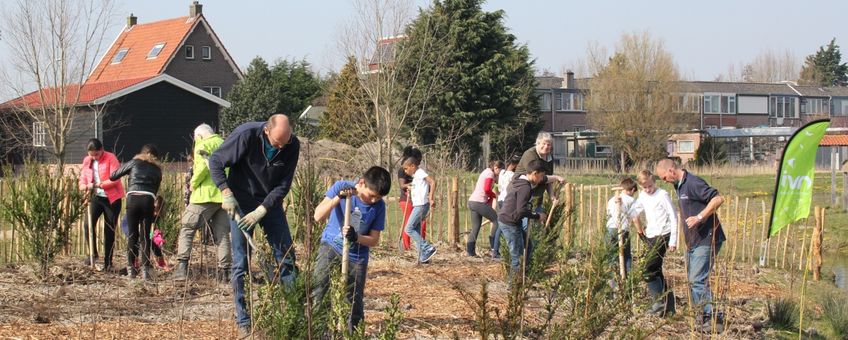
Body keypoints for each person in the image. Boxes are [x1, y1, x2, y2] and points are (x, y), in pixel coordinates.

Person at [208, 114, 300, 336]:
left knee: (286, 256)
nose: (280, 147)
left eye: (284, 142)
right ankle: (243, 319)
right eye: (277, 142)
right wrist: (225, 192)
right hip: (240, 202)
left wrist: (263, 209)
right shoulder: (247, 135)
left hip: (270, 205)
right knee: (241, 262)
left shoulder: (291, 145)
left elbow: (284, 184)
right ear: (267, 131)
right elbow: (216, 161)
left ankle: (294, 313)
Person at [311, 166, 391, 331]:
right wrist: (337, 198)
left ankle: (352, 333)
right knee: (320, 289)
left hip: (357, 256)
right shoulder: (341, 187)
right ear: (361, 183)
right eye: (372, 195)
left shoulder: (379, 207)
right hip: (331, 246)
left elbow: (374, 240)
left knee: (354, 300)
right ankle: (320, 331)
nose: (375, 200)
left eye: (379, 197)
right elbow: (318, 216)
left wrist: (357, 237)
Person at [655, 158, 725, 332]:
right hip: (693, 241)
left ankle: (712, 318)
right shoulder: (678, 186)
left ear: (672, 170)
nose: (664, 181)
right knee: (694, 282)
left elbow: (718, 199)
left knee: (697, 280)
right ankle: (700, 316)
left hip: (707, 238)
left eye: (664, 177)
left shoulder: (693, 183)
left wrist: (700, 217)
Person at [173, 124, 231, 283]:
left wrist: (193, 183)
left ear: (199, 136)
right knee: (222, 234)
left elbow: (201, 170)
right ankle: (225, 273)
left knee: (187, 227)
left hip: (204, 195)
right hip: (224, 196)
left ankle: (182, 268)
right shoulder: (225, 143)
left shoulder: (202, 145)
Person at [110, 144, 163, 281]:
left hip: (132, 199)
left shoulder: (134, 162)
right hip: (148, 199)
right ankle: (145, 271)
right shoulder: (157, 169)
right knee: (145, 236)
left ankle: (131, 270)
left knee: (133, 235)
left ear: (141, 153)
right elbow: (155, 190)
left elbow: (113, 176)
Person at [630, 170, 677, 317]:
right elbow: (634, 211)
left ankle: (658, 303)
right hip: (651, 234)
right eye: (645, 187)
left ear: (653, 181)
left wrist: (673, 240)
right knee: (656, 270)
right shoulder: (643, 196)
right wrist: (622, 205)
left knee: (648, 269)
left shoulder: (662, 195)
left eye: (650, 186)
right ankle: (669, 307)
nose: (648, 189)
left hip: (664, 234)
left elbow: (673, 216)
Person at [497, 159, 548, 283]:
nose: (541, 180)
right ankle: (513, 288)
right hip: (510, 222)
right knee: (517, 257)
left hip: (510, 220)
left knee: (528, 245)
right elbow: (521, 210)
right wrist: (537, 216)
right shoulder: (525, 187)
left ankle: (523, 277)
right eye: (541, 176)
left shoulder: (519, 180)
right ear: (534, 173)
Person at [78, 138, 125, 272]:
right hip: (96, 197)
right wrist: (83, 185)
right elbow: (83, 177)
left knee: (109, 229)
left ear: (102, 150)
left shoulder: (111, 158)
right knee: (88, 224)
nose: (94, 157)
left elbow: (115, 178)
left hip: (111, 199)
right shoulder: (87, 161)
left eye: (96, 154)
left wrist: (100, 184)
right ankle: (92, 253)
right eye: (91, 155)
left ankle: (108, 262)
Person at [401, 156, 436, 263]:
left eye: (406, 169)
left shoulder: (420, 172)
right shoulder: (416, 176)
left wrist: (430, 198)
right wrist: (411, 190)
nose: (406, 171)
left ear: (413, 166)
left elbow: (432, 182)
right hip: (419, 205)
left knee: (408, 228)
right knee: (416, 230)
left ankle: (428, 247)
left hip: (421, 205)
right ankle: (424, 256)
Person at [466, 160, 503, 257]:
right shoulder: (490, 174)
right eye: (500, 170)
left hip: (472, 201)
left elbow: (488, 189)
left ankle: (470, 251)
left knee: (476, 226)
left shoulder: (486, 172)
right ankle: (494, 247)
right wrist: (495, 196)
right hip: (479, 202)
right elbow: (487, 189)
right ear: (496, 168)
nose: (500, 173)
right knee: (496, 220)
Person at [606, 177, 638, 277]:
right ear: (632, 190)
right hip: (623, 229)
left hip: (610, 228)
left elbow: (608, 213)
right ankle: (627, 279)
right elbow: (634, 217)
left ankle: (613, 281)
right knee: (626, 255)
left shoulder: (612, 199)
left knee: (612, 256)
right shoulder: (632, 200)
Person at [397, 146, 426, 251]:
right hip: (407, 200)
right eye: (418, 160)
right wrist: (415, 183)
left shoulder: (418, 172)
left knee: (422, 224)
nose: (419, 162)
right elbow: (402, 185)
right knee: (408, 224)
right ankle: (406, 247)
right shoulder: (402, 169)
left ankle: (421, 247)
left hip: (418, 201)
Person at [491, 156, 519, 259]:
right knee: (502, 226)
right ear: (515, 165)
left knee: (501, 224)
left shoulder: (502, 173)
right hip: (507, 201)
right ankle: (496, 250)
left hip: (500, 200)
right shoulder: (512, 175)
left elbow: (497, 186)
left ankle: (495, 249)